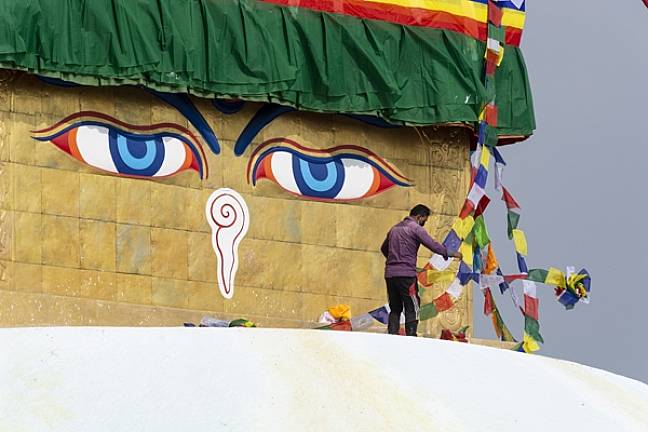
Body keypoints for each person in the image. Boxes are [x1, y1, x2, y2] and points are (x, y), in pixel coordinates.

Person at [380, 204, 462, 336]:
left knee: (395, 308)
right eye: (425, 219)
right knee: (413, 306)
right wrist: (452, 253)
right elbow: (433, 245)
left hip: (390, 275)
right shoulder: (416, 229)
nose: (424, 223)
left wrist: (394, 259)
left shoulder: (394, 229)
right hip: (406, 275)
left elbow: (384, 248)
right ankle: (411, 337)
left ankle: (392, 335)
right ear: (420, 217)